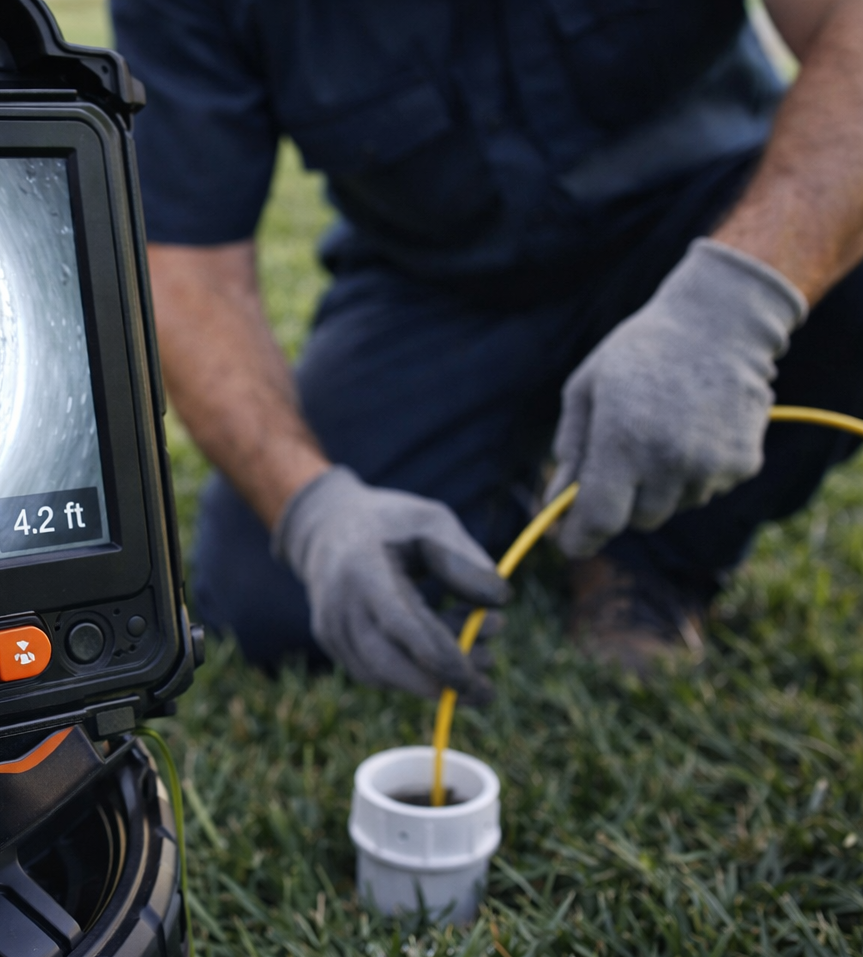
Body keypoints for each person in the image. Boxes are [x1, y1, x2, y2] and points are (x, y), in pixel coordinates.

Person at [110, 0, 863, 702]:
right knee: (273, 602)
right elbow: (190, 269)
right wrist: (311, 509)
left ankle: (652, 558)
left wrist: (736, 302)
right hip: (442, 287)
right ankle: (521, 478)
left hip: (709, 227)